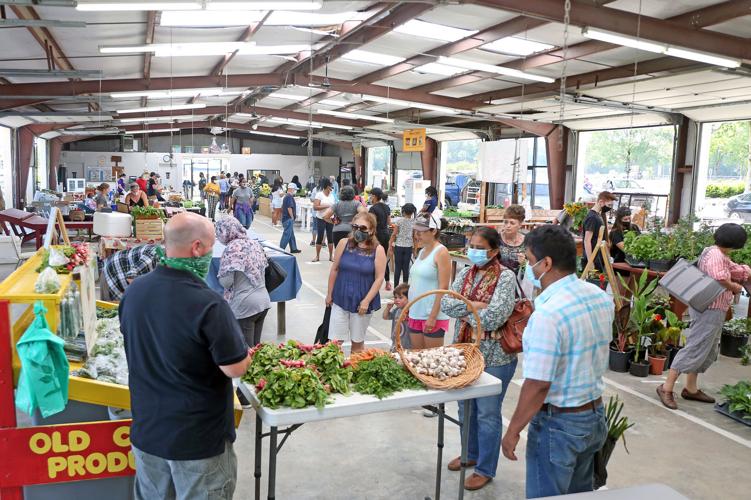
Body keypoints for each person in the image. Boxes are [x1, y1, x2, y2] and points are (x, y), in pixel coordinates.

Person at [120, 212, 250, 500]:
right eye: (211, 246)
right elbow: (236, 367)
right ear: (197, 249)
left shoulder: (135, 291)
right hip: (196, 443)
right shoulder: (209, 303)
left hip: (148, 434)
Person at [501, 225, 613, 499]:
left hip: (560, 425)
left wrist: (513, 430)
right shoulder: (599, 296)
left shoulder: (548, 314)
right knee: (579, 493)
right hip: (594, 417)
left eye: (529, 260)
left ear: (546, 263)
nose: (528, 267)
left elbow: (538, 384)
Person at [441, 227, 518, 491]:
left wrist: (468, 307)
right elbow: (446, 304)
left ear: (494, 251)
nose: (472, 249)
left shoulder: (506, 278)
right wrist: (476, 307)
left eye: (479, 246)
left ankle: (485, 468)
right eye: (470, 244)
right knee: (465, 408)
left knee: (487, 413)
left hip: (495, 356)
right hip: (465, 352)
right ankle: (470, 453)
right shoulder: (465, 273)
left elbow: (496, 317)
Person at [657, 223, 751, 410]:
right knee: (696, 345)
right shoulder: (716, 255)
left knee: (706, 348)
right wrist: (735, 287)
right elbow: (721, 278)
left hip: (715, 308)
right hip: (710, 308)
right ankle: (666, 387)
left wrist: (745, 270)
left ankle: (690, 388)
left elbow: (733, 270)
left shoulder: (716, 252)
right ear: (735, 243)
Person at [326, 212, 386, 353]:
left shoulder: (378, 250)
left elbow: (379, 278)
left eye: (363, 228)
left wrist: (366, 301)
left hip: (361, 302)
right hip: (340, 298)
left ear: (371, 230)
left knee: (357, 343)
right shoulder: (343, 243)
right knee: (334, 343)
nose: (358, 231)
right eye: (355, 227)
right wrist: (329, 294)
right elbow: (334, 269)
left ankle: (355, 371)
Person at [216, 218, 270, 347]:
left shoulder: (232, 248)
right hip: (263, 301)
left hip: (244, 305)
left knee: (245, 353)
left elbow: (226, 282)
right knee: (256, 350)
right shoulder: (254, 244)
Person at [408, 211, 451, 349]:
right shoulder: (422, 251)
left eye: (421, 231)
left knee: (431, 361)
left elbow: (443, 287)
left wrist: (432, 317)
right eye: (416, 231)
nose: (417, 235)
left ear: (433, 231)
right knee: (417, 359)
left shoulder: (441, 252)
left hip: (431, 316)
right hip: (415, 312)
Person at [582, 191, 616, 272]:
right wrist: (590, 262)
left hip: (598, 256)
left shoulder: (598, 215)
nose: (610, 208)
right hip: (593, 257)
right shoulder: (592, 217)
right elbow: (587, 241)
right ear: (600, 202)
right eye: (609, 205)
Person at [369, 187, 392, 291]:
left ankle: (374, 281)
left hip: (376, 235)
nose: (370, 197)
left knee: (374, 257)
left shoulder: (373, 209)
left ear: (374, 196)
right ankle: (387, 282)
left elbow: (371, 224)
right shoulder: (387, 207)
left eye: (371, 195)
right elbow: (389, 223)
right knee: (383, 258)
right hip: (386, 234)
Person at [389, 203, 416, 287]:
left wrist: (390, 245)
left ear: (403, 211)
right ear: (412, 212)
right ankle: (405, 289)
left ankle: (396, 288)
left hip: (399, 246)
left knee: (398, 268)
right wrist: (415, 250)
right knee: (405, 268)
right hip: (408, 247)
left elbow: (394, 234)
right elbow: (414, 237)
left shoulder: (399, 221)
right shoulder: (414, 222)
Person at [313, 177, 336, 262]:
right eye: (330, 186)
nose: (332, 188)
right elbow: (315, 207)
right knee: (320, 236)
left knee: (330, 237)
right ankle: (317, 256)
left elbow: (334, 206)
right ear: (326, 186)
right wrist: (327, 206)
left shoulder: (332, 195)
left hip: (330, 219)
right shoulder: (319, 194)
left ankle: (331, 256)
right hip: (321, 218)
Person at [499, 204, 526, 273]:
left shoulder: (527, 241)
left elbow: (531, 270)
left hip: (520, 281)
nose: (508, 226)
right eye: (506, 222)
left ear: (520, 224)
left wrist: (524, 264)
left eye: (512, 223)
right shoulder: (496, 239)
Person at [383, 283, 410, 352]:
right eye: (395, 297)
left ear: (409, 298)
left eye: (400, 297)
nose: (397, 300)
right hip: (395, 342)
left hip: (406, 344)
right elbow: (385, 317)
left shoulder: (411, 312)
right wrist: (388, 308)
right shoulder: (397, 310)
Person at [279, 183, 301, 254]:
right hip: (288, 218)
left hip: (286, 218)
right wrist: (292, 217)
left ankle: (293, 248)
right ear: (291, 189)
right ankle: (281, 249)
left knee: (291, 234)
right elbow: (289, 208)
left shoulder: (287, 196)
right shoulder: (289, 197)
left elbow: (283, 207)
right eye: (295, 189)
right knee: (287, 234)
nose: (295, 191)